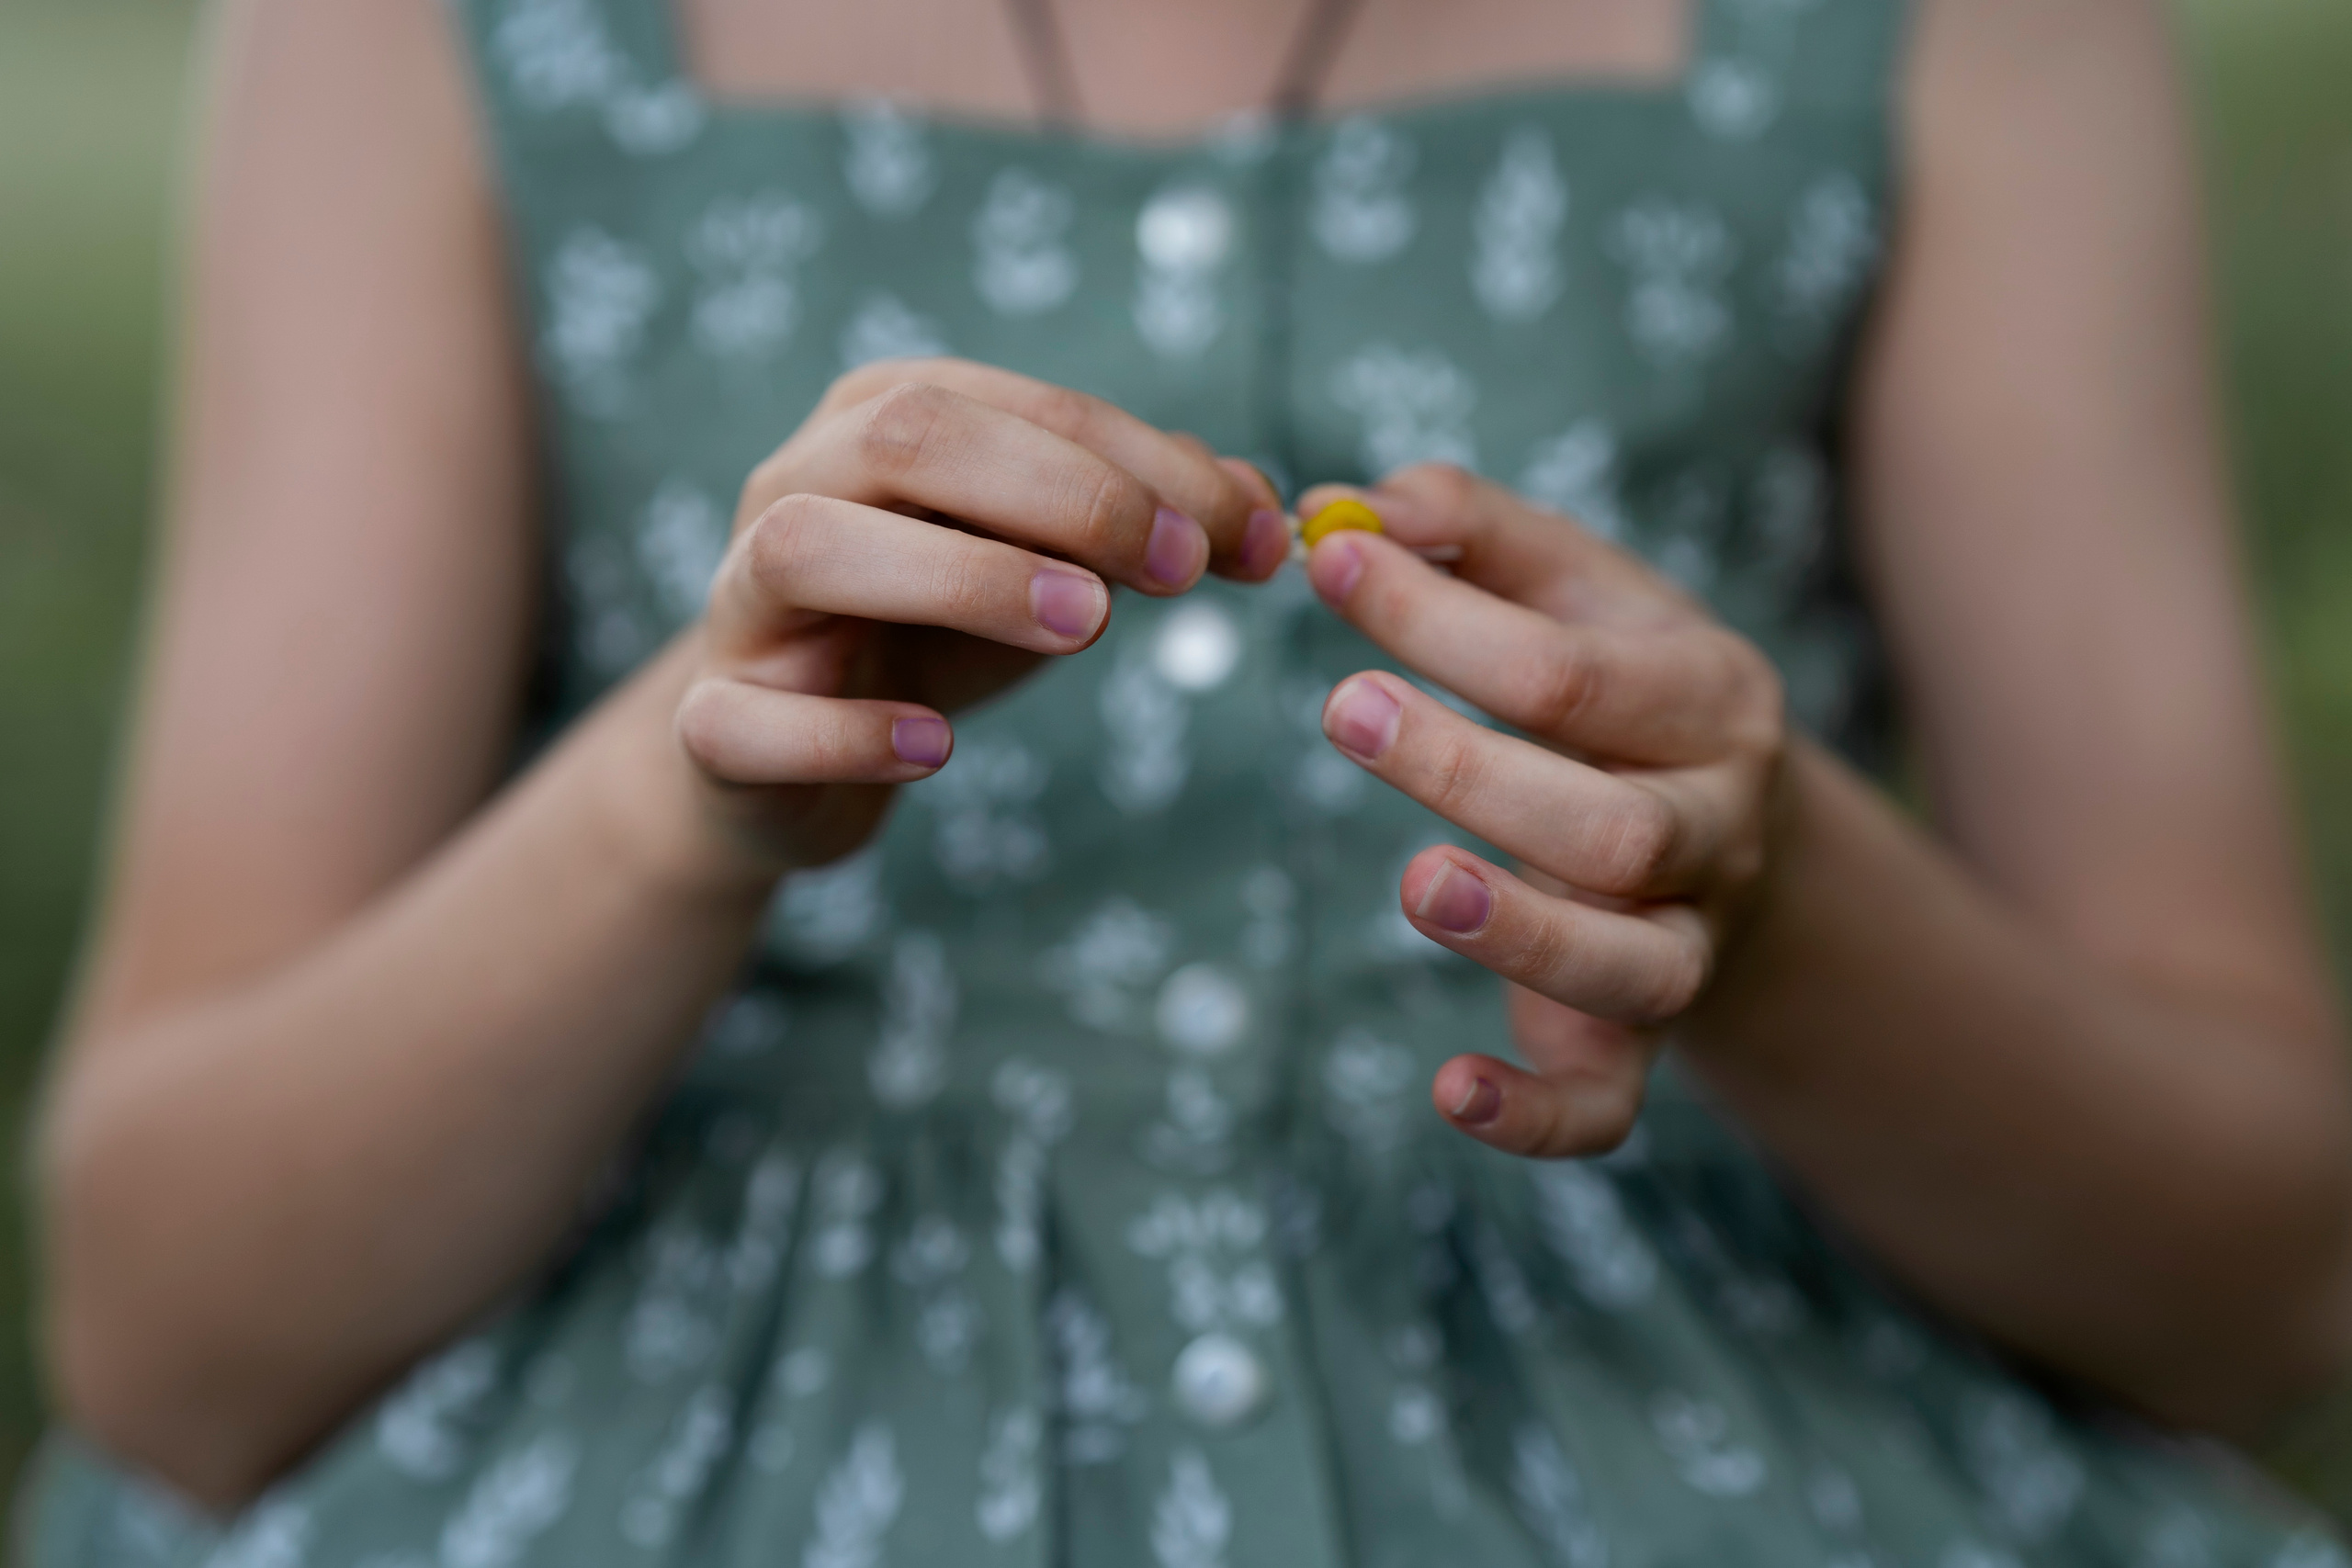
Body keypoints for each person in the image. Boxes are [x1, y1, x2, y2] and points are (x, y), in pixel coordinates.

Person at [21, 0, 2352, 1560]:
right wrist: (680, 795)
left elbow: (2254, 1284)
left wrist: (1763, 895)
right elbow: (171, 1325)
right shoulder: (423, 37)